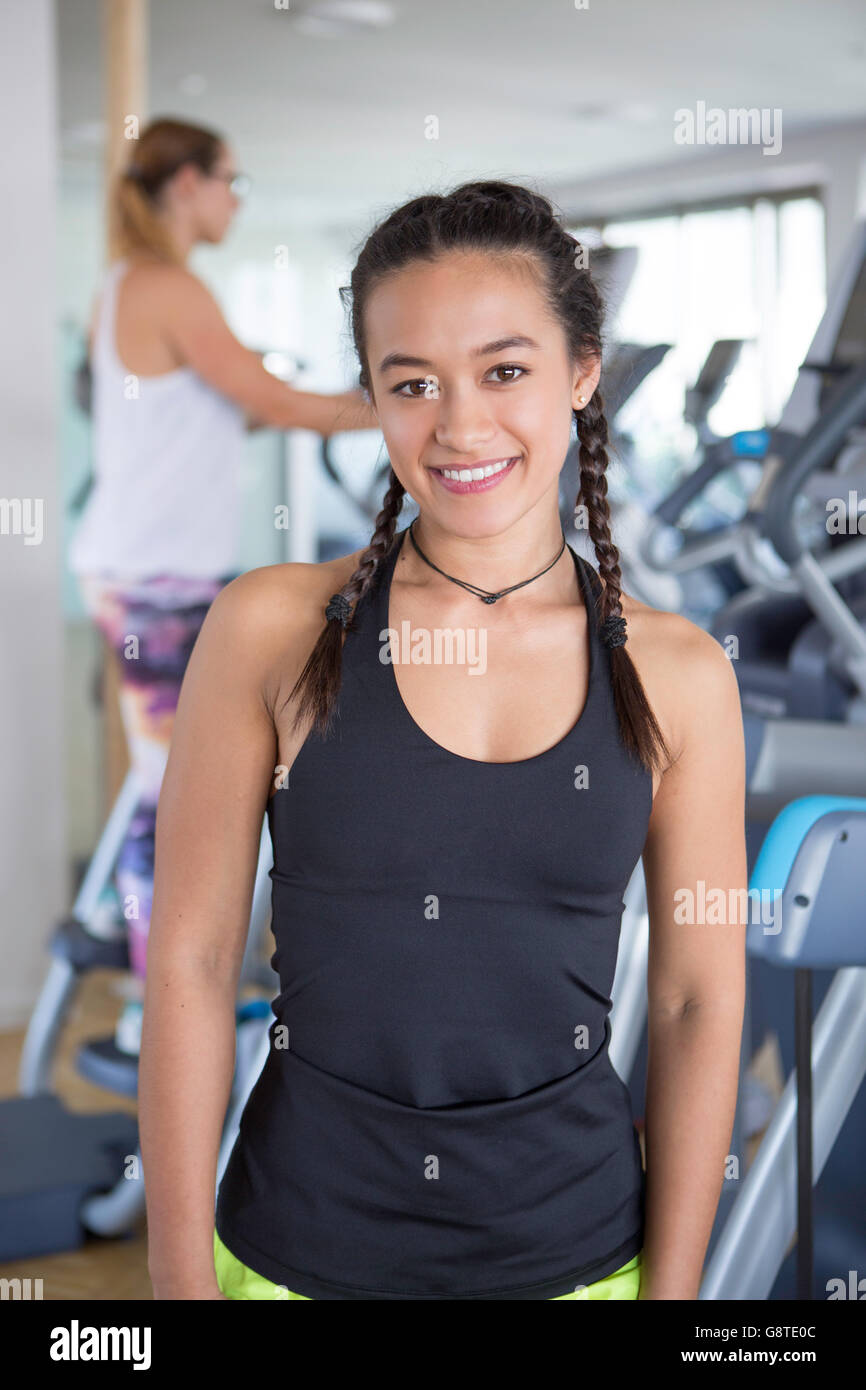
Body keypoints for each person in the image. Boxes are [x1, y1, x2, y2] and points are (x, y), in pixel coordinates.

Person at [139, 180, 747, 1301]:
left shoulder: (679, 674)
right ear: (371, 397)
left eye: (504, 371)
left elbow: (695, 999)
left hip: (576, 1258)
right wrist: (177, 1286)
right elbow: (185, 962)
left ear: (578, 371)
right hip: (295, 1251)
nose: (458, 425)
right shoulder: (269, 628)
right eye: (410, 382)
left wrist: (673, 1299)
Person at [68, 118, 377, 1054]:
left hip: (144, 570)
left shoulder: (128, 283)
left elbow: (212, 417)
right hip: (158, 583)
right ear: (189, 184)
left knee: (182, 782)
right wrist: (417, 400)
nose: (238, 201)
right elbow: (273, 404)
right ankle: (154, 1010)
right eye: (230, 182)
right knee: (173, 798)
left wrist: (310, 404)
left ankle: (163, 990)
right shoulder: (167, 283)